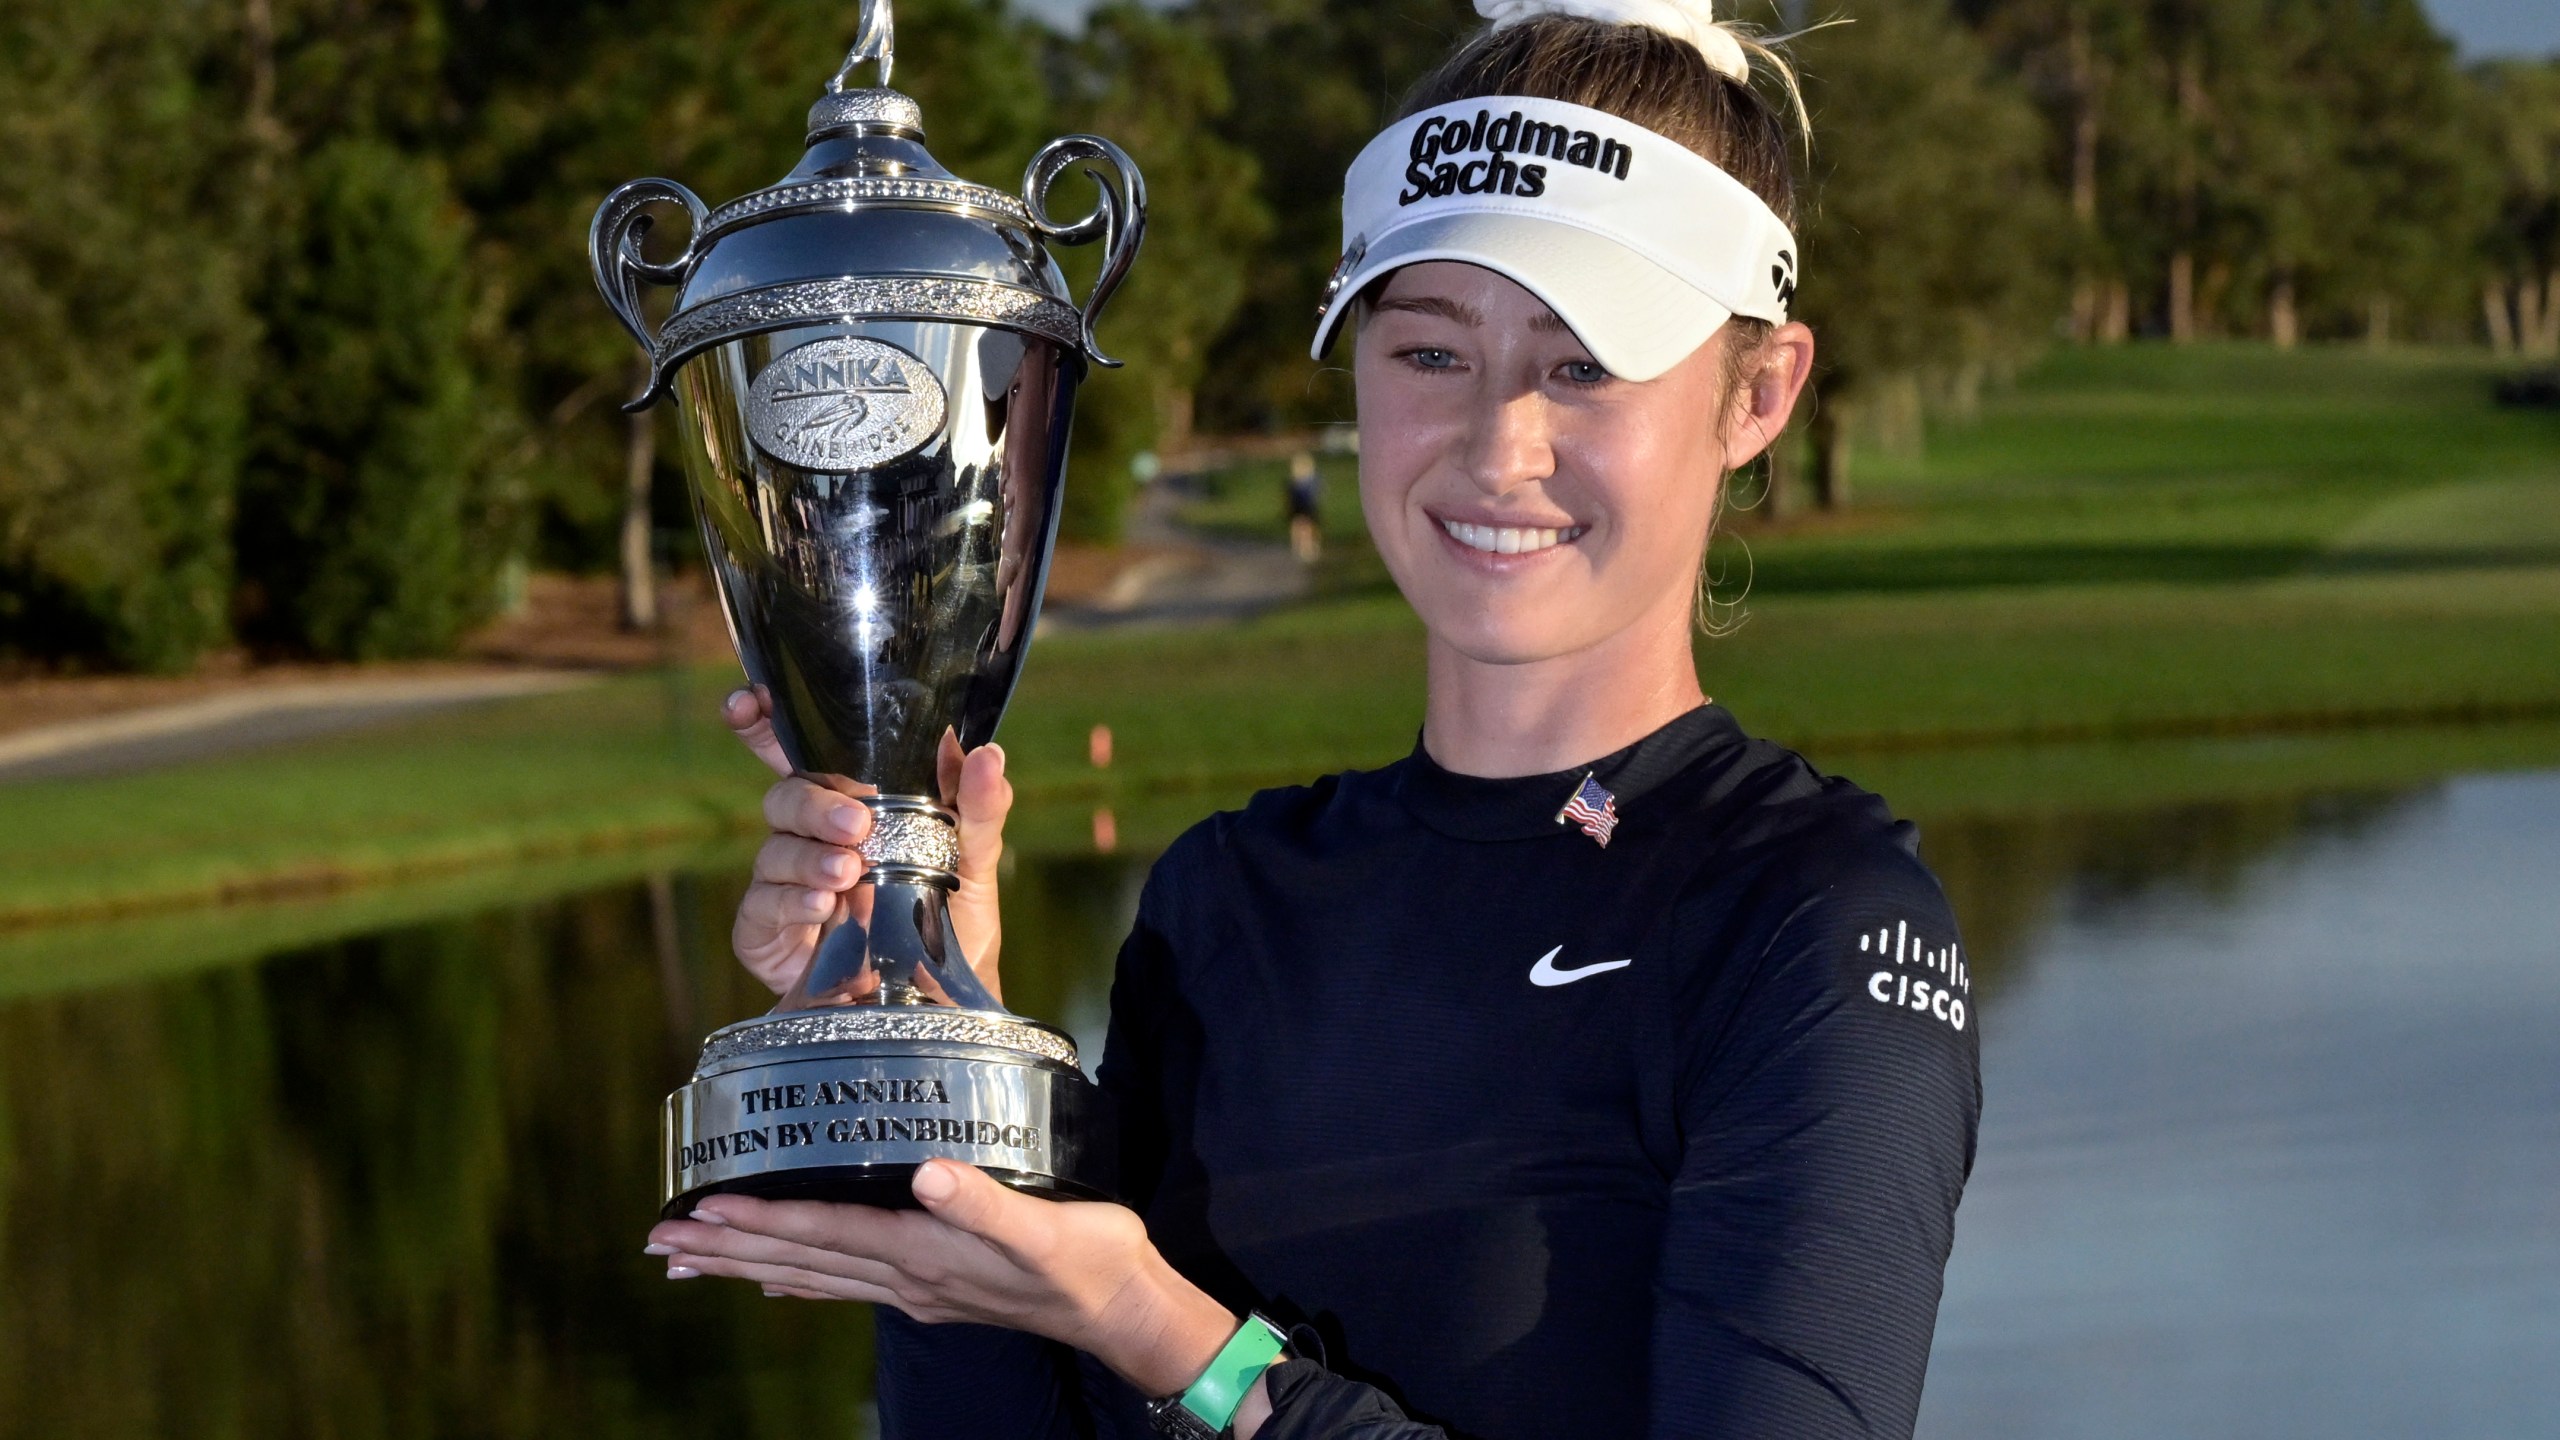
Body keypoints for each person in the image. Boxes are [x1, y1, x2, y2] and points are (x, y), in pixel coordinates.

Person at [647, 3, 1981, 1436]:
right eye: (1429, 353)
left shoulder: (1813, 922)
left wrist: (1178, 1343)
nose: (1495, 445)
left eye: (1582, 365)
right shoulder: (1230, 895)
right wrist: (940, 1114)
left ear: (1759, 391)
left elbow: (1164, 1347)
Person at [1286, 451, 1324, 564]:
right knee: (1301, 526)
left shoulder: (1310, 480)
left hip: (1307, 506)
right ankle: (1301, 546)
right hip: (1300, 506)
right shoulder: (1295, 481)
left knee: (1307, 527)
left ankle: (1307, 546)